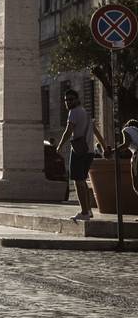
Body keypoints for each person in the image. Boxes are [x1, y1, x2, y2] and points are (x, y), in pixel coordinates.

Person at [56, 89, 106, 221]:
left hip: (78, 151)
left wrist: (60, 146)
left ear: (77, 99)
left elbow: (68, 131)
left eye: (71, 99)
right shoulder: (86, 113)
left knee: (78, 182)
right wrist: (104, 147)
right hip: (89, 151)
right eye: (66, 100)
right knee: (82, 181)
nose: (68, 102)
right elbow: (96, 132)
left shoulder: (73, 112)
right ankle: (88, 210)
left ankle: (84, 212)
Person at [110, 118, 138, 197]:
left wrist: (113, 151)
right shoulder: (136, 131)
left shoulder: (127, 129)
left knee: (136, 184)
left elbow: (126, 144)